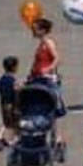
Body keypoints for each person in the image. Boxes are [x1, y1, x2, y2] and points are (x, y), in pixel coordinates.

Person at [28, 18, 65, 150]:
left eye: (35, 29)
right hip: (37, 79)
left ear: (42, 30)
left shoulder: (48, 42)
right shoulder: (41, 44)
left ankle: (58, 138)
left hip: (47, 80)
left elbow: (57, 58)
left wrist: (47, 69)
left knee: (52, 108)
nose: (32, 31)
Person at [0, 56, 19, 150]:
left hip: (3, 103)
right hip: (11, 105)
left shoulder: (1, 79)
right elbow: (15, 92)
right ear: (14, 68)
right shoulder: (13, 80)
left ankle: (0, 137)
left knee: (6, 123)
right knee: (15, 123)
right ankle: (13, 140)